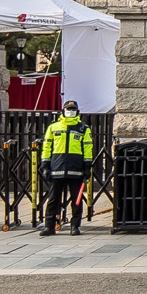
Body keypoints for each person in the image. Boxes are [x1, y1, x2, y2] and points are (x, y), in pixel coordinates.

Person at [38, 99, 94, 236]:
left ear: (77, 112)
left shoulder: (83, 128)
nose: (70, 112)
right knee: (53, 199)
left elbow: (88, 147)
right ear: (63, 111)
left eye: (73, 109)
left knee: (76, 199)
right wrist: (45, 165)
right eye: (68, 109)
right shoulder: (53, 127)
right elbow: (46, 147)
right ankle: (49, 226)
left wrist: (87, 166)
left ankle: (75, 226)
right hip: (57, 168)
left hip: (76, 168)